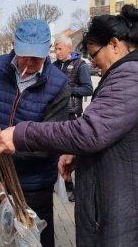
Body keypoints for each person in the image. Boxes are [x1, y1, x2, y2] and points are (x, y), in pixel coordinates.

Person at [0, 6, 138, 246]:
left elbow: (89, 130)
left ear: (114, 44)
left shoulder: (134, 76)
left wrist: (20, 135)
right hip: (133, 204)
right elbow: (111, 131)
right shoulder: (134, 73)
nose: (93, 63)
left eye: (94, 54)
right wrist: (79, 155)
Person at [0, 19, 70, 247]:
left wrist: (3, 143)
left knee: (33, 240)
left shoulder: (58, 84)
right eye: (24, 55)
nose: (29, 63)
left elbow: (53, 141)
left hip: (33, 185)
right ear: (14, 45)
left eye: (36, 57)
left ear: (48, 48)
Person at [52, 35, 94, 202]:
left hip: (73, 114)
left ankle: (77, 188)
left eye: (60, 48)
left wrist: (68, 90)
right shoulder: (53, 66)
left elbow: (88, 89)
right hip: (56, 114)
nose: (57, 52)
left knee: (73, 152)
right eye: (55, 49)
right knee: (59, 151)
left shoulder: (80, 65)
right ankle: (65, 185)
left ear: (69, 48)